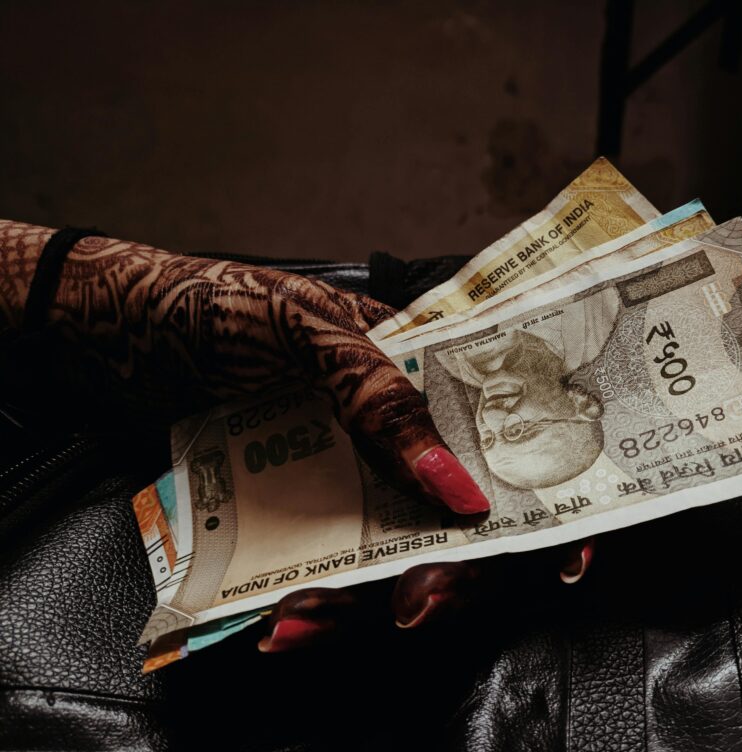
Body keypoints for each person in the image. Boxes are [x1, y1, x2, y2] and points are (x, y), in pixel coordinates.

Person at [0, 219, 594, 653]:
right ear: (586, 402)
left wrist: (76, 286)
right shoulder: (592, 316)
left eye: (496, 441)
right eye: (529, 427)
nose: (495, 417)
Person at [436, 287, 620, 489]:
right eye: (518, 429)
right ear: (580, 404)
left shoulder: (455, 365)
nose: (490, 415)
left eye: (487, 439)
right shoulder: (596, 321)